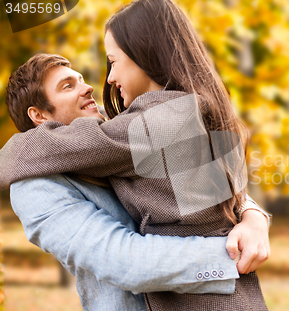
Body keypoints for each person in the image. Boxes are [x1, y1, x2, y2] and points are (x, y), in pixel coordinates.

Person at [0, 0, 270, 309]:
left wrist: (252, 218)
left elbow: (210, 186)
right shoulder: (34, 185)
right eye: (67, 86)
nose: (94, 86)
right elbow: (124, 260)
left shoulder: (139, 127)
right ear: (39, 116)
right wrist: (235, 245)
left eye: (112, 63)